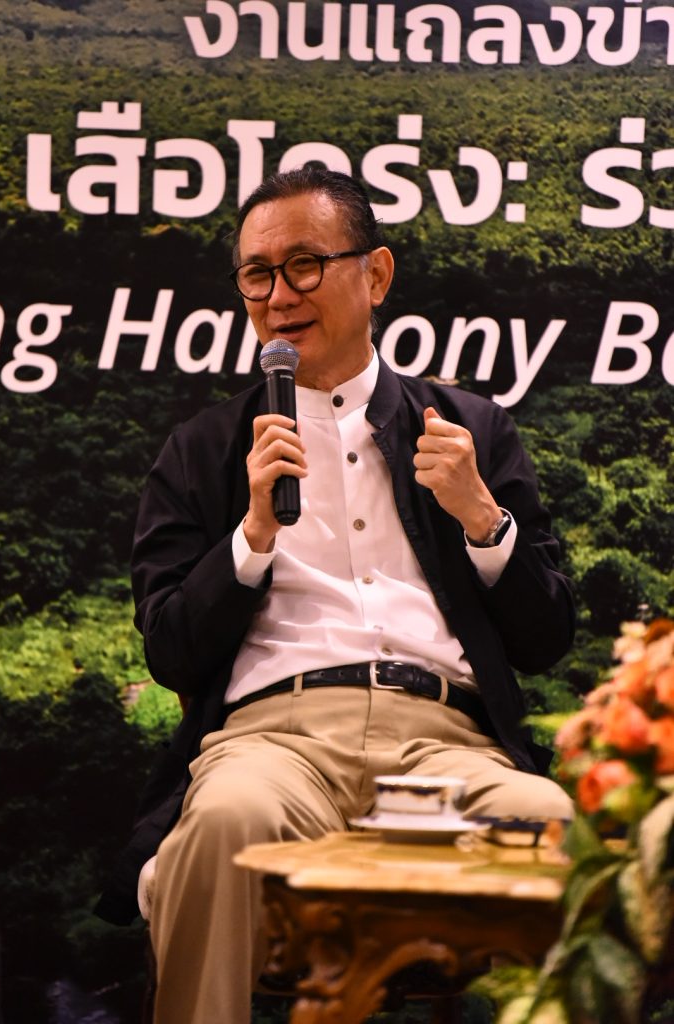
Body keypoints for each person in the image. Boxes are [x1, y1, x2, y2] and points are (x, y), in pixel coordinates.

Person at [96, 167, 575, 1023]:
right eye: (257, 275)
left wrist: (479, 515)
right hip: (273, 744)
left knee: (552, 827)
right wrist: (251, 534)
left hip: (446, 748)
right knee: (221, 822)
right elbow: (169, 649)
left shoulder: (467, 428)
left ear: (375, 275)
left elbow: (545, 638)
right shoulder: (202, 449)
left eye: (305, 265)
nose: (279, 296)